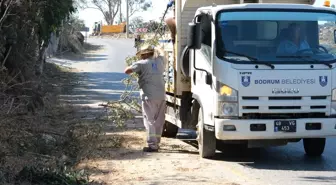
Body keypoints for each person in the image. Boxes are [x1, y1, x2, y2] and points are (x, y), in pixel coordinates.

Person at [124, 44, 167, 152]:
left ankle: (152, 145)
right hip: (161, 96)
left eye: (142, 55)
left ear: (145, 54)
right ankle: (157, 142)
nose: (141, 57)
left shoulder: (141, 64)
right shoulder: (160, 61)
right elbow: (162, 52)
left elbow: (127, 71)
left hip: (149, 97)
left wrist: (133, 66)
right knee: (159, 121)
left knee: (149, 120)